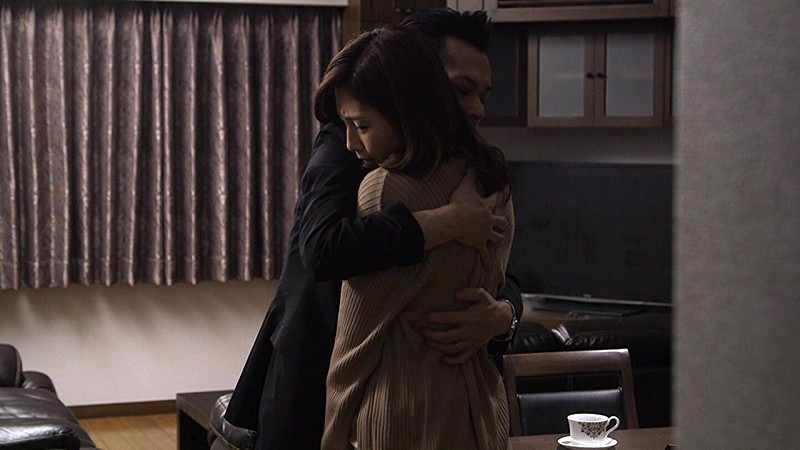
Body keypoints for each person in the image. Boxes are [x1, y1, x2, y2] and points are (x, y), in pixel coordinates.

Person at [222, 8, 521, 449]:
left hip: (437, 401)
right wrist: (445, 223)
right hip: (316, 372)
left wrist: (503, 314)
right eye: (462, 90)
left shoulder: (476, 170)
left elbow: (503, 266)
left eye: (484, 94)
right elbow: (323, 250)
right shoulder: (350, 148)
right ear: (416, 84)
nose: (477, 109)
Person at [319, 27, 514, 449]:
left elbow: (357, 339)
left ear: (405, 108)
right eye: (463, 90)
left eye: (362, 126)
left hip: (401, 413)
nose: (350, 142)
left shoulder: (383, 188)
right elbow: (321, 249)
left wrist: (333, 433)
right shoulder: (492, 183)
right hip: (481, 409)